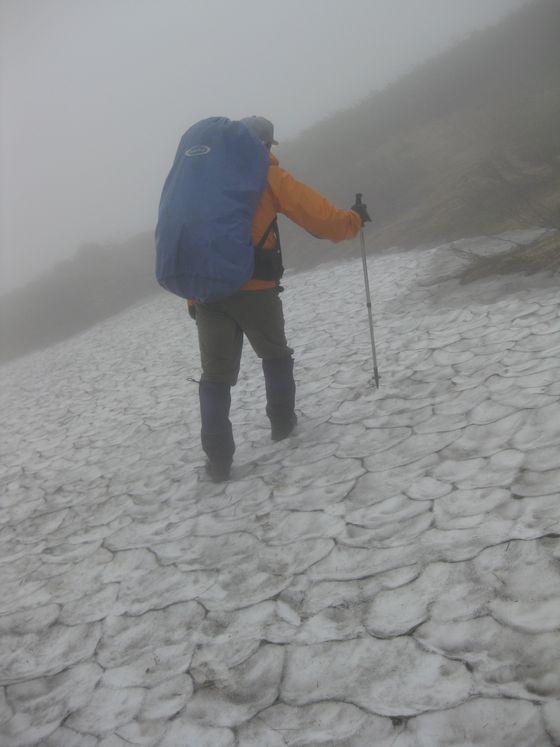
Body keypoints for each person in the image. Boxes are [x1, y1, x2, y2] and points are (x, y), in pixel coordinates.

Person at [189, 116, 371, 481]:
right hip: (256, 289)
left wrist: (193, 297)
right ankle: (283, 426)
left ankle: (219, 462)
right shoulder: (266, 176)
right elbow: (318, 217)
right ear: (265, 145)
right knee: (274, 355)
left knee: (215, 377)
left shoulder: (200, 178)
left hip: (207, 293)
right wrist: (352, 220)